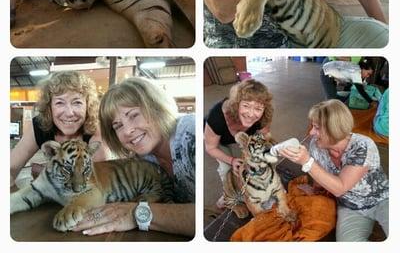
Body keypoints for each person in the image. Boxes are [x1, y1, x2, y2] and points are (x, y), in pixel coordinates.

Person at [72, 77, 195, 237]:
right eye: (118, 126)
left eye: (134, 115)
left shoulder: (190, 132)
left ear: (156, 107)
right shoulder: (143, 159)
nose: (127, 131)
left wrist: (138, 213)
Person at [280, 99, 388, 241]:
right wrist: (315, 190)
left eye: (317, 127)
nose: (311, 132)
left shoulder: (363, 145)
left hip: (383, 200)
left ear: (335, 129)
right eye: (312, 126)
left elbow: (340, 188)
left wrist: (307, 161)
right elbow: (321, 173)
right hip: (351, 207)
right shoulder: (316, 145)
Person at [10, 71, 111, 187]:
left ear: (88, 106)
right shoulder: (39, 125)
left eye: (77, 102)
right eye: (59, 103)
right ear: (49, 107)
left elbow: (99, 184)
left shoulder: (95, 128)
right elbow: (10, 168)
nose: (69, 113)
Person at [204, 78, 273, 208]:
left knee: (253, 163)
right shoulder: (216, 117)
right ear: (236, 104)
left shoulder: (264, 115)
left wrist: (263, 151)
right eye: (246, 105)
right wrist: (231, 160)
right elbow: (210, 147)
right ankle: (227, 195)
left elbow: (265, 135)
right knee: (227, 169)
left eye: (258, 108)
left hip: (245, 137)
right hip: (220, 140)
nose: (251, 114)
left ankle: (254, 190)